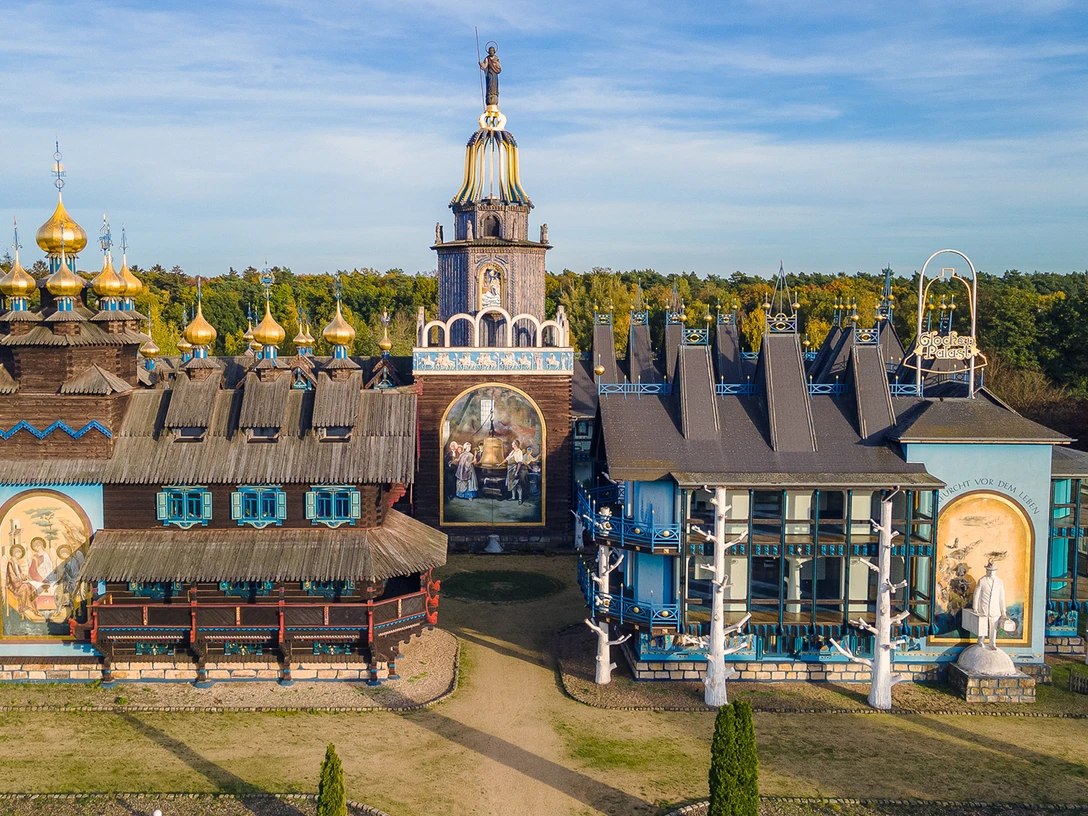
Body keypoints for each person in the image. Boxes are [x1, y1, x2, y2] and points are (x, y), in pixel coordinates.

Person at [972, 561, 1008, 649]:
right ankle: (981, 641)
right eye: (989, 570)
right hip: (983, 608)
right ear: (986, 570)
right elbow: (976, 594)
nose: (991, 572)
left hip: (995, 609)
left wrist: (1003, 611)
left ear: (996, 571)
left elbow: (1001, 597)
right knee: (982, 626)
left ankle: (992, 643)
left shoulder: (1000, 582)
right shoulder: (982, 580)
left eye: (993, 570)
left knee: (993, 627)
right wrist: (975, 607)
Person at [4, 544, 35, 620]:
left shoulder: (17, 563)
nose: (19, 555)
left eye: (20, 553)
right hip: (13, 585)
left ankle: (29, 606)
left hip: (19, 583)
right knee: (25, 587)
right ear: (14, 553)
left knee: (30, 586)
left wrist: (25, 578)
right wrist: (21, 581)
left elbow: (20, 574)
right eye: (18, 553)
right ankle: (23, 607)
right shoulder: (10, 563)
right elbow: (12, 577)